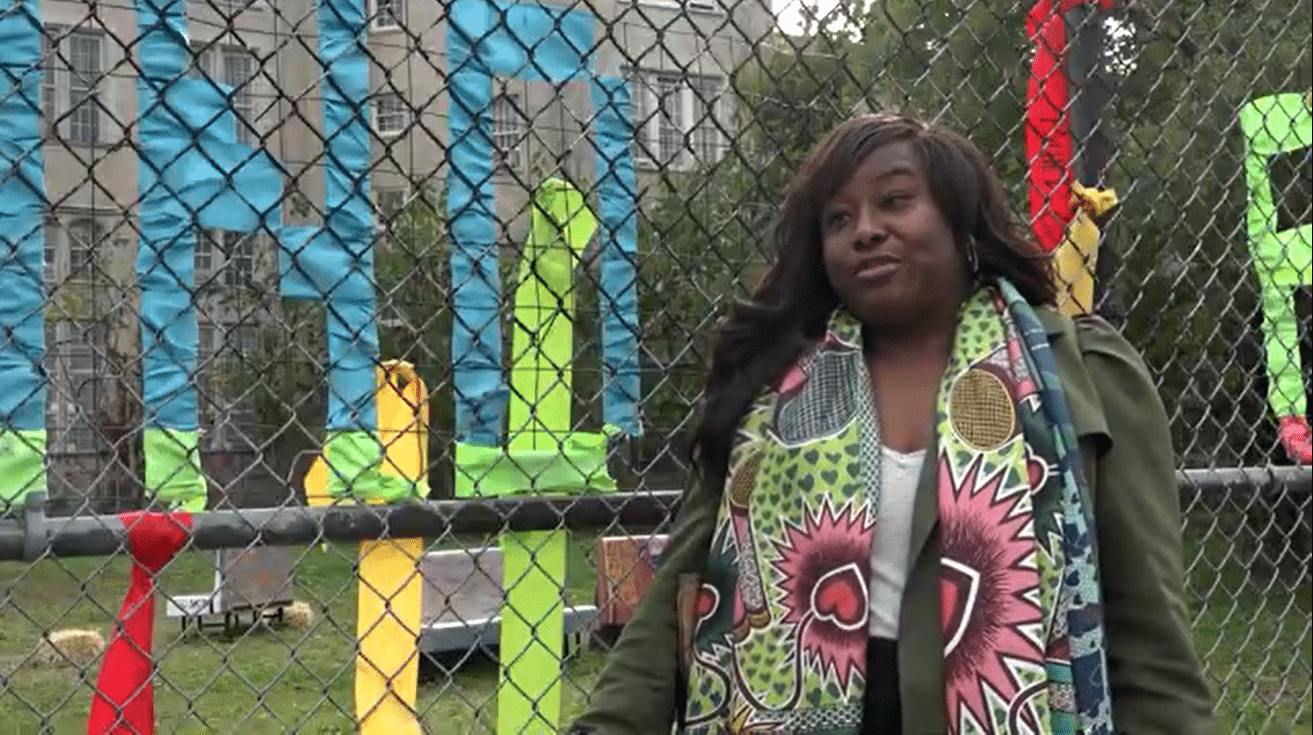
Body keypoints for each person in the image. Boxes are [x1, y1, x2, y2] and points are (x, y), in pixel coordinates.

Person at [568, 112, 1215, 735]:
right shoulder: (769, 395)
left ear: (962, 221)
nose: (865, 230)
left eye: (895, 201)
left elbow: (1148, 633)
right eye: (839, 219)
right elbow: (677, 595)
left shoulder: (1079, 373)